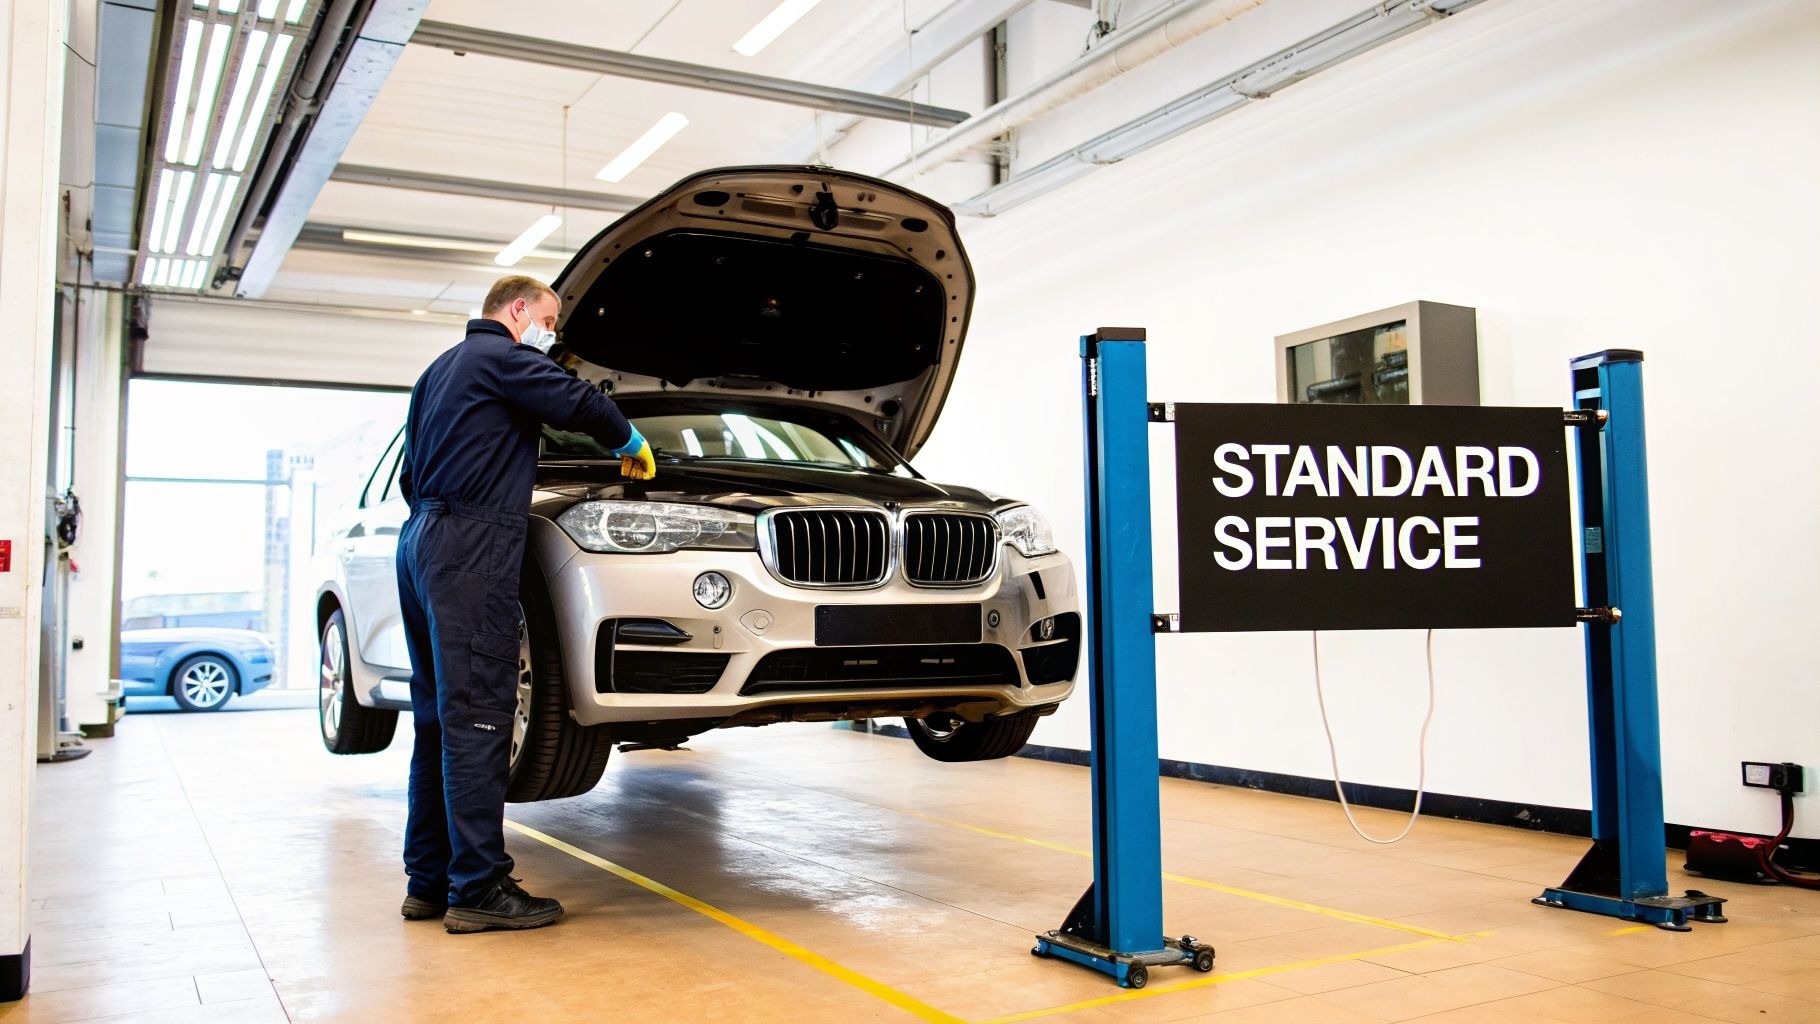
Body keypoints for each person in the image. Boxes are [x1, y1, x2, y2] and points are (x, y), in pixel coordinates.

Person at [393, 275, 654, 933]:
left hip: (422, 537)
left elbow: (409, 473)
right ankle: (479, 889)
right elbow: (580, 404)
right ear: (516, 310)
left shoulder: (439, 370)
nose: (553, 334)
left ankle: (429, 882)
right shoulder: (503, 358)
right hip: (470, 543)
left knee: (439, 719)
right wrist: (628, 440)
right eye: (549, 319)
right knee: (480, 715)